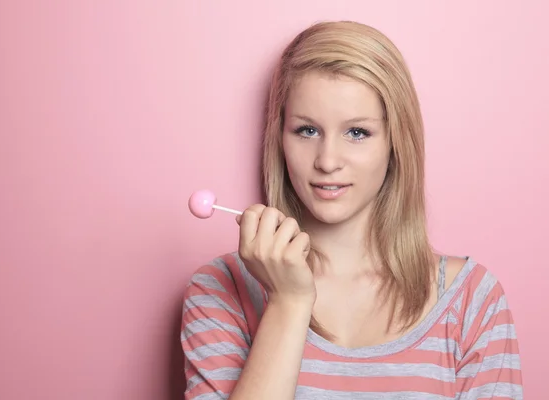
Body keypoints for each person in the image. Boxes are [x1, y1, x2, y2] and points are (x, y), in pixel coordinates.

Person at [179, 20, 523, 399]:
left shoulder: (472, 301)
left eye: (357, 132)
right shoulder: (218, 290)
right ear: (280, 138)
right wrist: (289, 302)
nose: (327, 161)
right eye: (307, 130)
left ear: (396, 142)